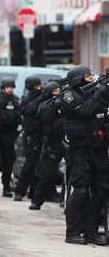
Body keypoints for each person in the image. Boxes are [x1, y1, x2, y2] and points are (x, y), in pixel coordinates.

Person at [61, 65, 107, 245]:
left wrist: (102, 91)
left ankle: (91, 232)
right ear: (77, 79)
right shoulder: (68, 95)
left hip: (96, 149)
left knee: (99, 191)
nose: (92, 77)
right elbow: (83, 110)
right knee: (80, 192)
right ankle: (72, 232)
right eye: (88, 76)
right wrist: (98, 93)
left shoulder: (92, 91)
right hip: (79, 151)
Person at [29, 81, 65, 210]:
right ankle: (36, 200)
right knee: (46, 173)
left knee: (71, 171)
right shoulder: (45, 105)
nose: (58, 93)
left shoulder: (65, 101)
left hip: (67, 140)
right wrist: (55, 105)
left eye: (59, 90)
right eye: (55, 91)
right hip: (52, 142)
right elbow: (45, 118)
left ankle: (64, 199)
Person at [0, 76, 21, 197]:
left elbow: (19, 115)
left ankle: (6, 187)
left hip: (10, 134)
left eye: (11, 87)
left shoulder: (16, 100)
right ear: (3, 88)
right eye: (7, 87)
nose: (10, 89)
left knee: (8, 163)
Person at [14, 76, 44, 201]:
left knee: (42, 166)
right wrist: (41, 96)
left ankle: (35, 192)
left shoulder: (42, 97)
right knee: (29, 165)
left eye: (39, 86)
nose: (38, 88)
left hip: (44, 134)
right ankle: (20, 191)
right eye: (36, 86)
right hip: (32, 136)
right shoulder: (26, 99)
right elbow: (29, 110)